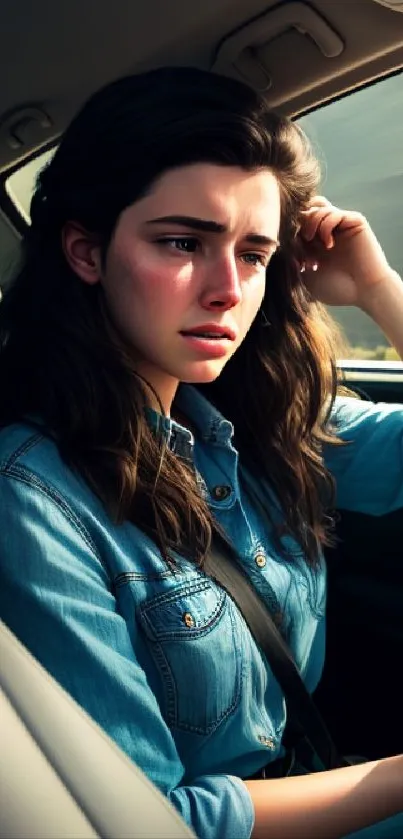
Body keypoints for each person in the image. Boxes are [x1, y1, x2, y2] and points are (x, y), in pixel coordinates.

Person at [0, 67, 402, 839]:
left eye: (254, 254)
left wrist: (379, 289)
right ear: (86, 251)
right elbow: (149, 820)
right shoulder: (30, 498)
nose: (227, 288)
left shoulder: (255, 422)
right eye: (183, 242)